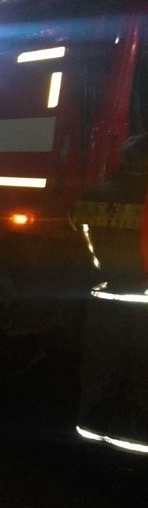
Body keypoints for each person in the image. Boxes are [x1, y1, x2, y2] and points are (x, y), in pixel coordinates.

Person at [72, 132, 148, 454]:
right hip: (142, 301)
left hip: (105, 294)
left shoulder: (93, 194)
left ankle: (92, 432)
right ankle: (134, 440)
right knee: (139, 371)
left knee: (101, 366)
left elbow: (80, 234)